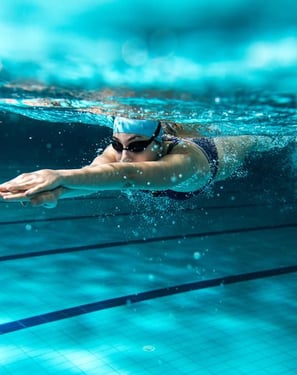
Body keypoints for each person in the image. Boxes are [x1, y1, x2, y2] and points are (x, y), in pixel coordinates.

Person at [0, 116, 279, 208]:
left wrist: (57, 175)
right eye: (117, 145)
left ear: (160, 142)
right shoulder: (120, 155)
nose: (123, 156)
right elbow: (93, 178)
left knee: (261, 138)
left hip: (226, 149)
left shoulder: (185, 161)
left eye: (136, 146)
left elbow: (128, 176)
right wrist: (56, 192)